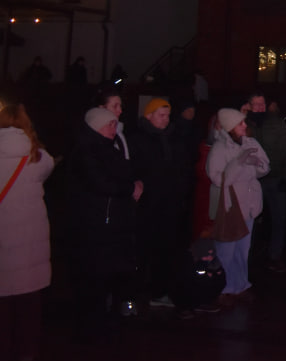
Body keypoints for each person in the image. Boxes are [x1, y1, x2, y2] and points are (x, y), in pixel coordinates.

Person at [71, 106, 143, 334]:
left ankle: (110, 313)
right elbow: (100, 183)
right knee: (95, 274)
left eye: (114, 124)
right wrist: (130, 187)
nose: (114, 128)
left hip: (112, 222)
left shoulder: (108, 148)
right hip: (97, 222)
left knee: (111, 271)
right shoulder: (87, 151)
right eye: (109, 124)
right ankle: (93, 321)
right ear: (96, 126)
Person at [0, 105, 55, 361]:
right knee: (29, 302)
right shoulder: (38, 158)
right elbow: (49, 167)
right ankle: (27, 355)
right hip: (30, 244)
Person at [131, 97, 196, 308]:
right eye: (161, 115)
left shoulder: (173, 137)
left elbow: (183, 166)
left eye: (168, 115)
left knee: (166, 249)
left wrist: (180, 190)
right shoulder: (138, 138)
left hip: (170, 203)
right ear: (149, 116)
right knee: (143, 248)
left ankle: (160, 290)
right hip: (148, 203)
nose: (166, 119)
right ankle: (138, 290)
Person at [206, 108, 269, 304]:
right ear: (230, 126)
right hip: (231, 205)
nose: (245, 125)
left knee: (243, 248)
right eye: (240, 123)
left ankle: (240, 284)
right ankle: (223, 287)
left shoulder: (251, 143)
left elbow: (265, 167)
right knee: (227, 248)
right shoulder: (220, 148)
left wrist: (258, 165)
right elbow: (217, 177)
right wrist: (238, 165)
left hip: (250, 203)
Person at [244, 94, 286, 273]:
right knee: (250, 220)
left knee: (279, 219)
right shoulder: (244, 123)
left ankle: (274, 256)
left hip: (275, 178)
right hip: (252, 181)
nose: (259, 107)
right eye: (255, 104)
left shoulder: (276, 123)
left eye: (262, 104)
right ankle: (247, 256)